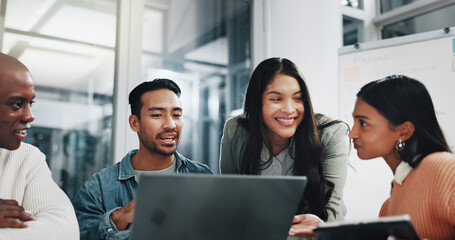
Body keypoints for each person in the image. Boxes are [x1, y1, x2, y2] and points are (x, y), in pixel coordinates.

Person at [219, 57, 349, 237]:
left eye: (298, 98)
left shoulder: (331, 134)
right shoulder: (235, 131)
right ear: (257, 102)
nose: (289, 109)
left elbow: (330, 215)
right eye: (276, 99)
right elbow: (231, 201)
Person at [73, 78, 213, 239]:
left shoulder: (203, 176)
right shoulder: (97, 190)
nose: (171, 124)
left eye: (176, 115)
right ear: (134, 123)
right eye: (157, 115)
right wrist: (118, 219)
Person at [349, 75, 455, 239]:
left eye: (363, 123)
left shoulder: (444, 168)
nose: (352, 134)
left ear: (404, 131)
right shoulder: (388, 206)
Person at [0, 53, 79, 239]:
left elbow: (64, 231)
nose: (30, 116)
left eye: (30, 103)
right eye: (17, 104)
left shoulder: (28, 158)